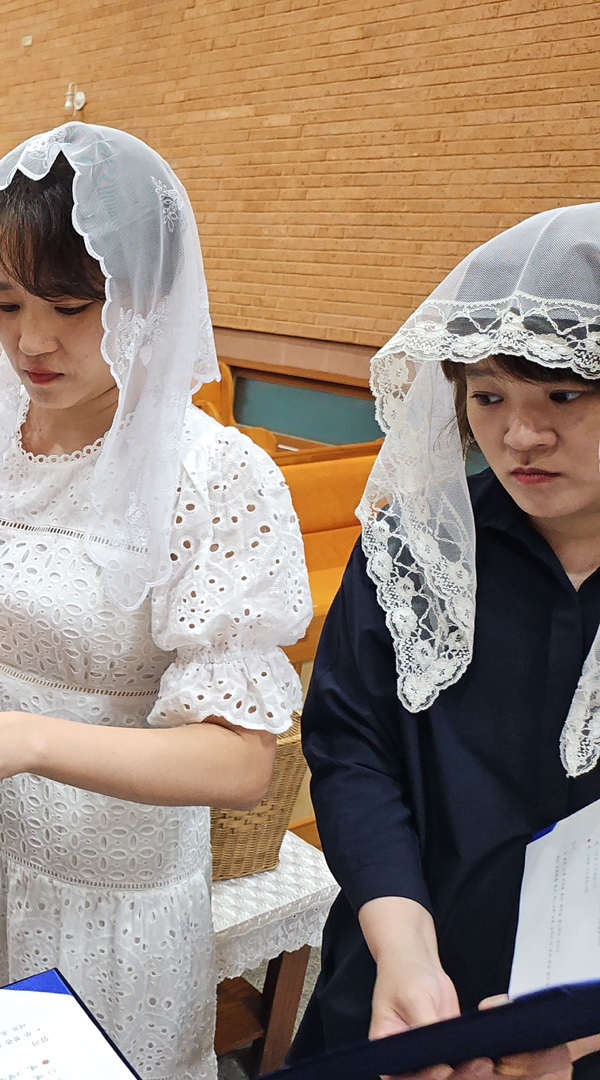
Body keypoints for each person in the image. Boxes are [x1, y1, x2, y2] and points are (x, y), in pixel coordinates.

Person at [0, 124, 313, 1080]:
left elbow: (241, 763)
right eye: (5, 303)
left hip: (118, 889)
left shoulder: (211, 476)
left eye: (72, 306)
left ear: (147, 298)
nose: (31, 341)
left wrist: (21, 739)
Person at [290, 205, 600, 1079]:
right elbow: (353, 751)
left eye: (564, 396)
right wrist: (402, 946)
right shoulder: (413, 550)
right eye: (489, 397)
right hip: (406, 981)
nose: (521, 436)